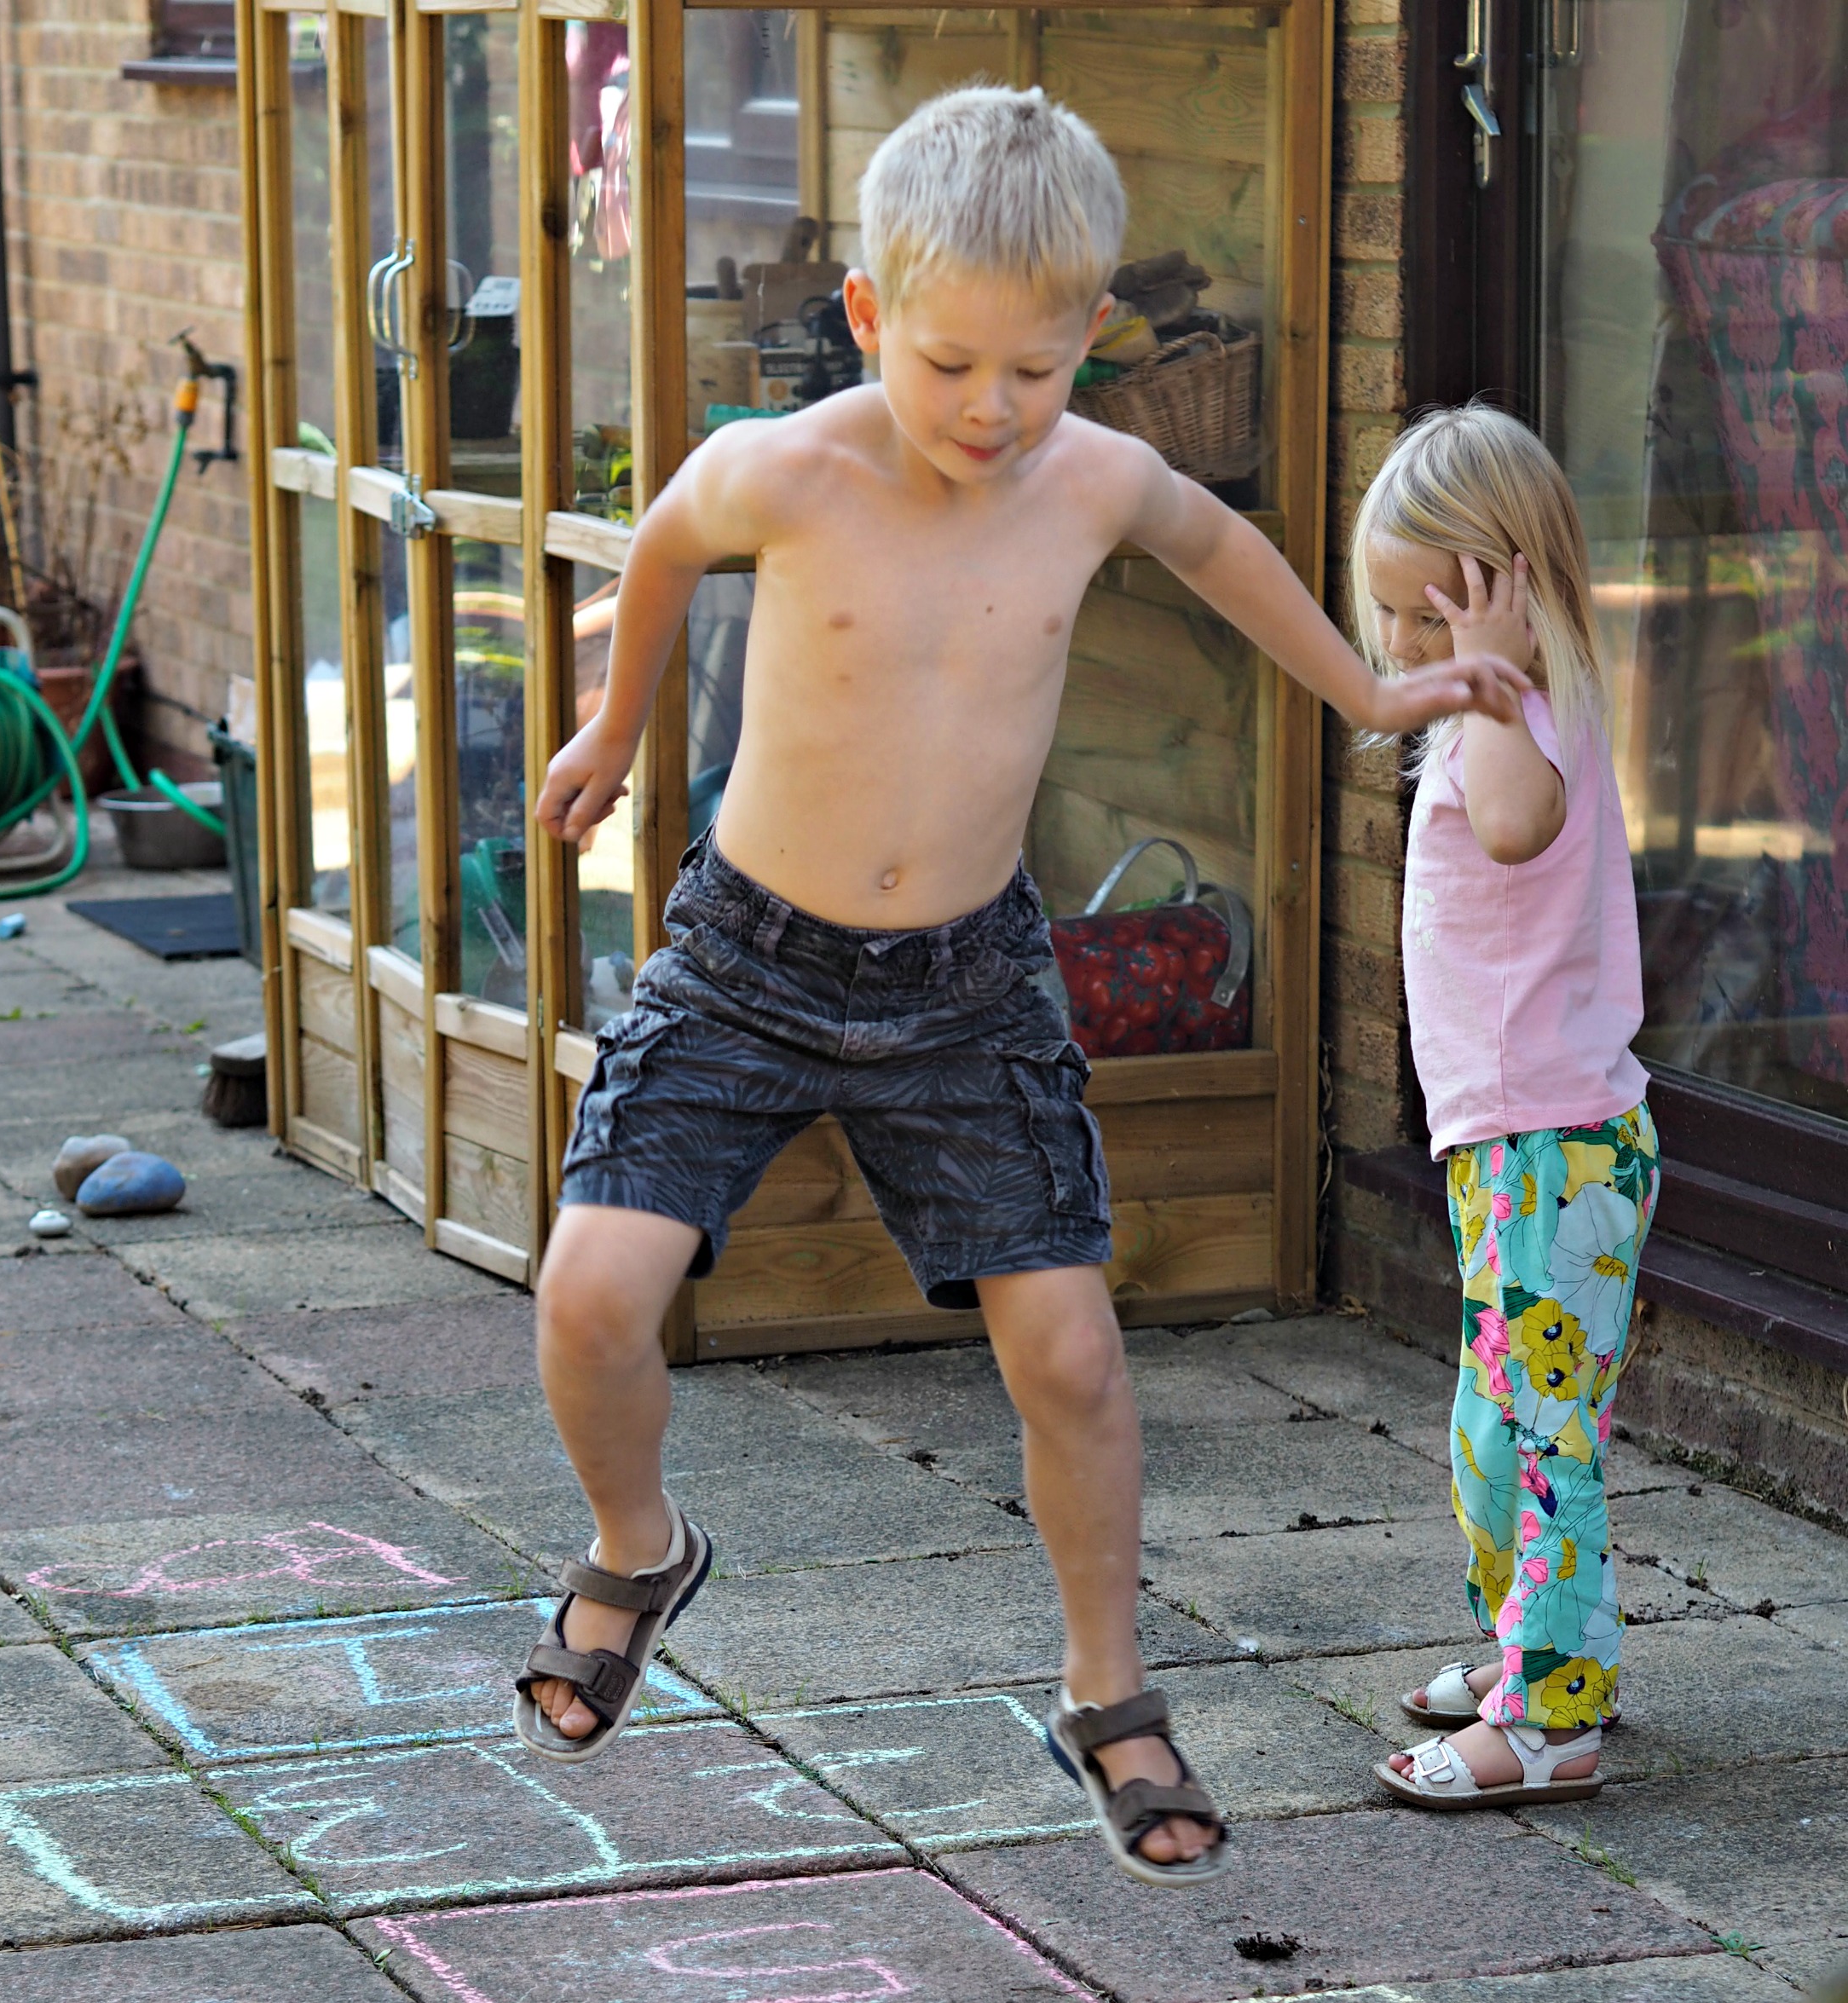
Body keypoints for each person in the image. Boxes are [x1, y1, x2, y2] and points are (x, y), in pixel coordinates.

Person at [514, 87, 1528, 1885]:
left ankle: (1108, 1686)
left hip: (973, 983)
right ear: (869, 317)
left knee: (1068, 1348)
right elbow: (663, 536)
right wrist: (614, 721)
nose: (993, 412)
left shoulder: (1100, 480)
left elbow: (1222, 553)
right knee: (593, 1293)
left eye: (1037, 374)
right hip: (749, 955)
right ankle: (634, 1542)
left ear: (1091, 346)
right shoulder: (788, 467)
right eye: (951, 363)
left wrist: (1371, 696)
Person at [1353, 406, 1661, 1811]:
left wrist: (1481, 680)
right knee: (1498, 1422)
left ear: (1511, 587)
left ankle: (1548, 1716)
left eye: (1432, 618)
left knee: (1537, 1433)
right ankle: (1538, 1651)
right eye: (1396, 624)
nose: (1410, 652)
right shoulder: (1500, 713)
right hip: (1514, 1147)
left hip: (1552, 1148)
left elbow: (1518, 828)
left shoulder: (1524, 718)